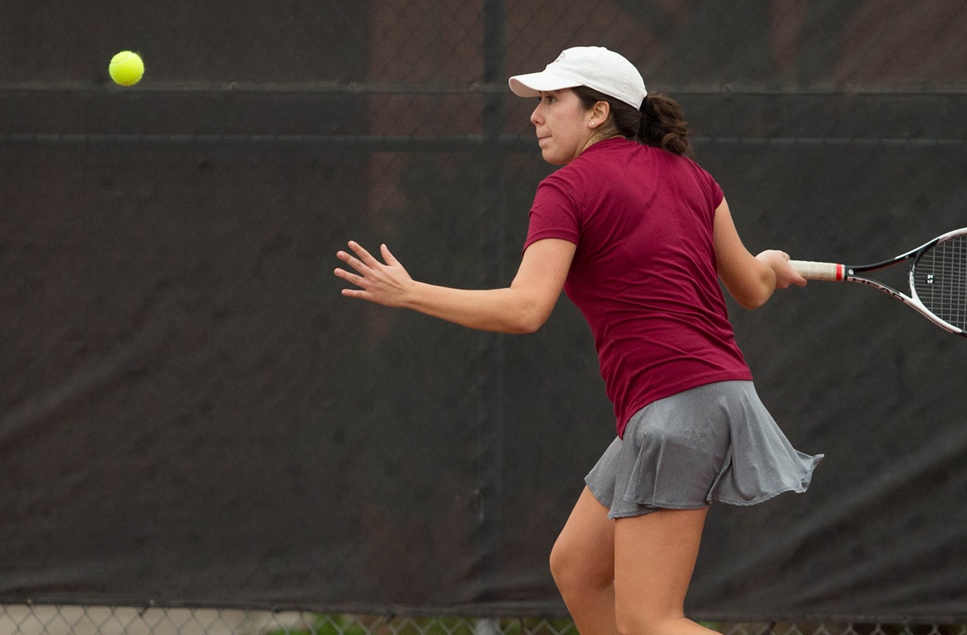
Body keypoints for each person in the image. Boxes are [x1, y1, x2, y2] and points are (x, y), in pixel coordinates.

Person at [335, 46, 822, 635]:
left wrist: (410, 293)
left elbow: (524, 309)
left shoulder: (567, 190)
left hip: (675, 406)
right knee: (577, 568)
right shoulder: (697, 179)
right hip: (706, 396)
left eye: (550, 100)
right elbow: (752, 286)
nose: (535, 116)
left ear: (597, 113)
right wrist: (771, 262)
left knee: (650, 620)